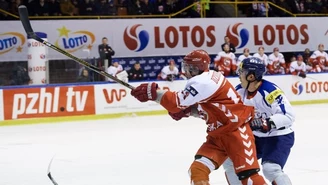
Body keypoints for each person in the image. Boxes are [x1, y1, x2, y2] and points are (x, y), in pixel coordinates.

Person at [130, 49, 267, 185]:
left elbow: (175, 103)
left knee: (249, 178)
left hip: (236, 132)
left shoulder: (203, 83)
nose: (186, 71)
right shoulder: (209, 77)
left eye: (188, 68)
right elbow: (209, 110)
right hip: (218, 135)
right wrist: (187, 111)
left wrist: (152, 92)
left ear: (196, 68)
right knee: (198, 170)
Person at [222, 57, 295, 185]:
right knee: (231, 161)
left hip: (278, 136)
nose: (239, 75)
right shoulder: (239, 90)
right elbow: (227, 109)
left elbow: (288, 115)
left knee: (271, 169)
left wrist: (266, 122)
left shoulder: (270, 91)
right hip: (256, 137)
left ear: (251, 76)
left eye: (242, 72)